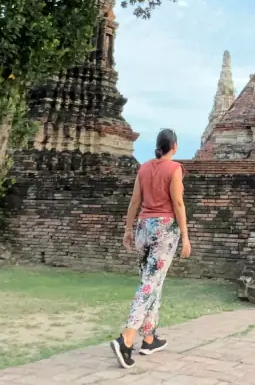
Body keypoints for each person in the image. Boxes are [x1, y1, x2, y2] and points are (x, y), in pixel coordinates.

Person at [110, 128, 192, 369]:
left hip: (143, 228)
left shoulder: (144, 167)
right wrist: (186, 236)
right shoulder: (174, 168)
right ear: (174, 146)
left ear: (158, 146)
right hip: (165, 230)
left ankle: (148, 338)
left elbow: (135, 201)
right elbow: (178, 202)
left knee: (152, 282)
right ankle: (127, 338)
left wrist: (128, 229)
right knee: (148, 284)